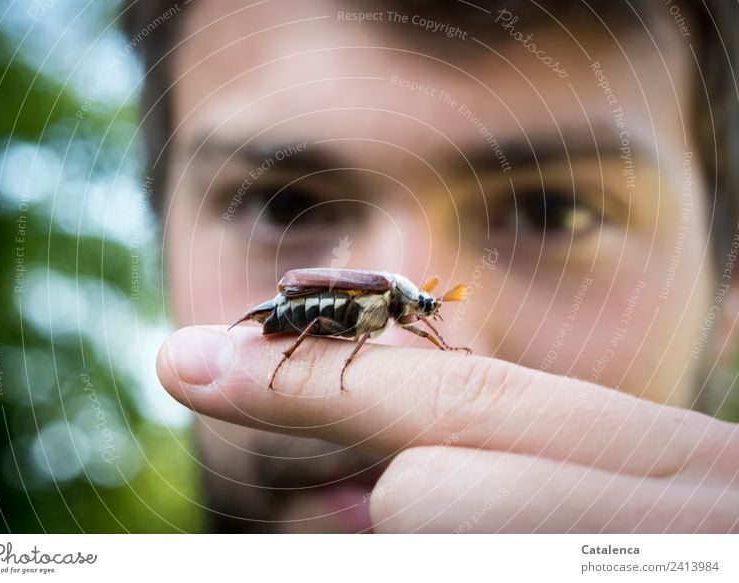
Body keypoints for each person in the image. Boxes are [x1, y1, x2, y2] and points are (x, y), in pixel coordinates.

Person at [124, 0, 739, 532]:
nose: (414, 368)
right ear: (160, 245)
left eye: (552, 212)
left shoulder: (404, 309)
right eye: (284, 205)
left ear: (729, 284)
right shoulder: (386, 303)